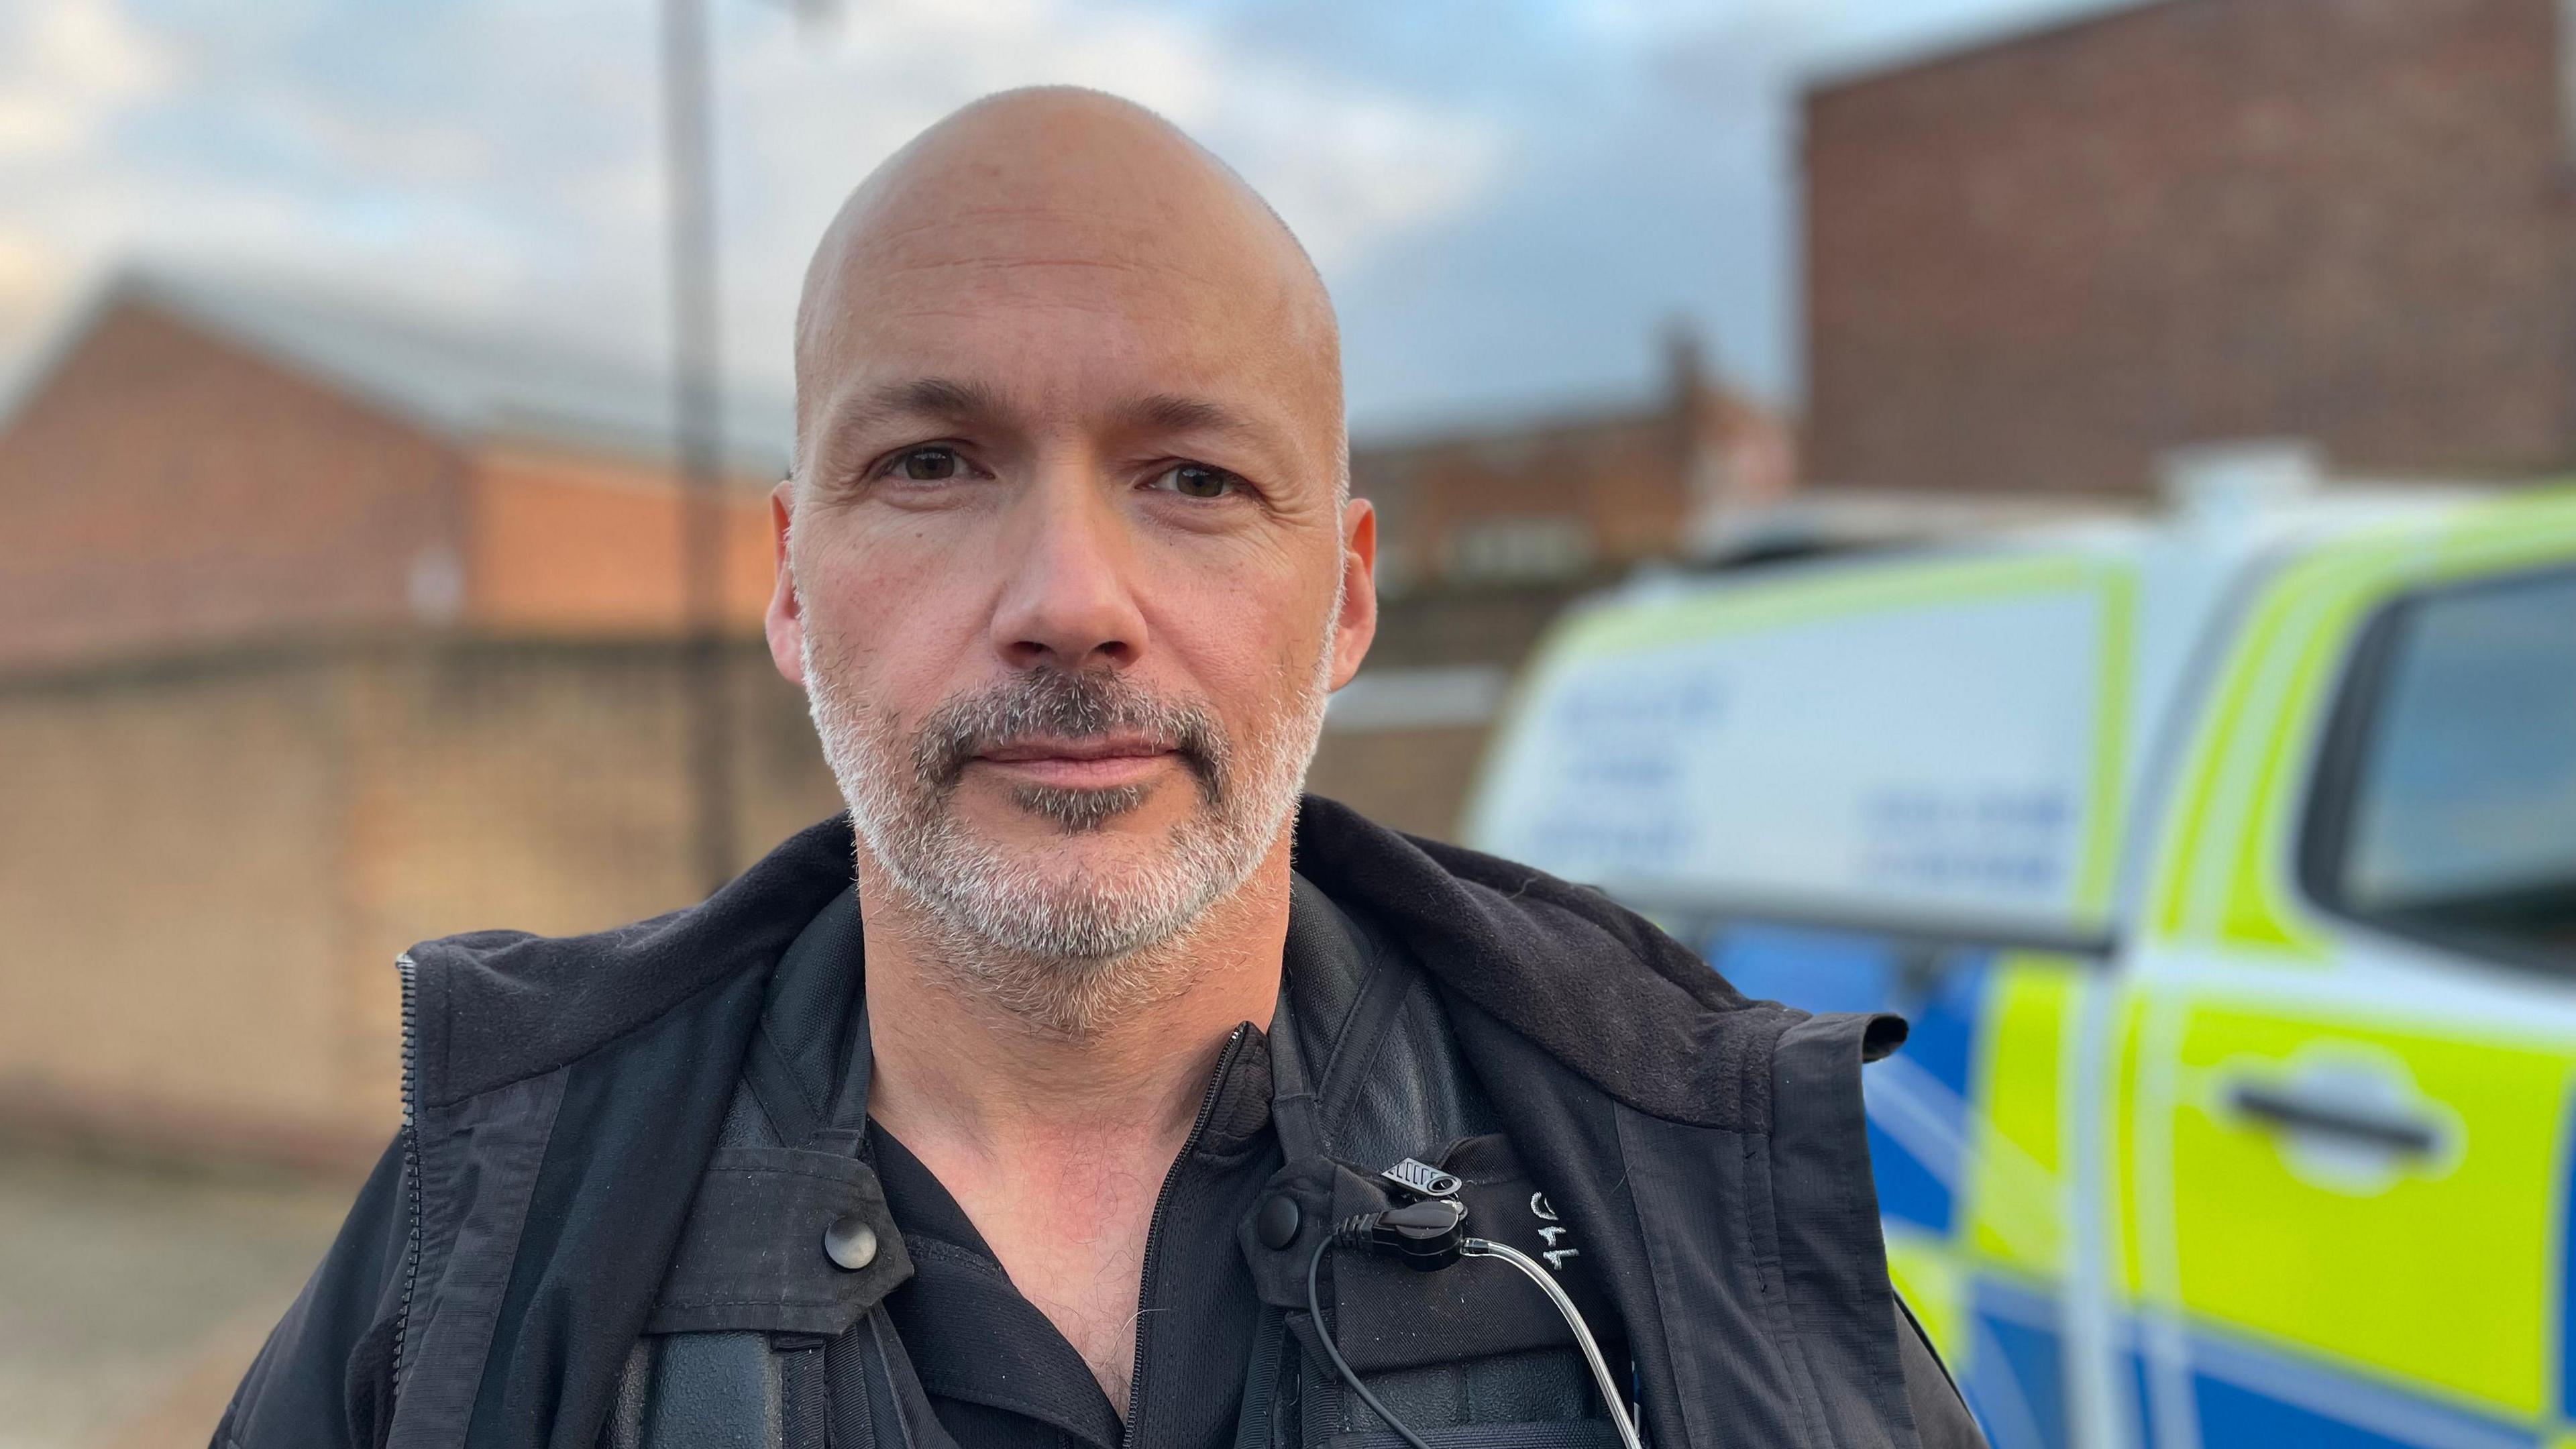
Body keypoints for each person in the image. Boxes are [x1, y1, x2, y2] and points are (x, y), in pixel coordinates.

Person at [213, 88, 1982, 1449]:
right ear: (788, 585)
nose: (1070, 604)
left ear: (1346, 597)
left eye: (1195, 480)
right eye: (931, 463)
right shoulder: (495, 1224)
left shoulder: (1674, 1174)